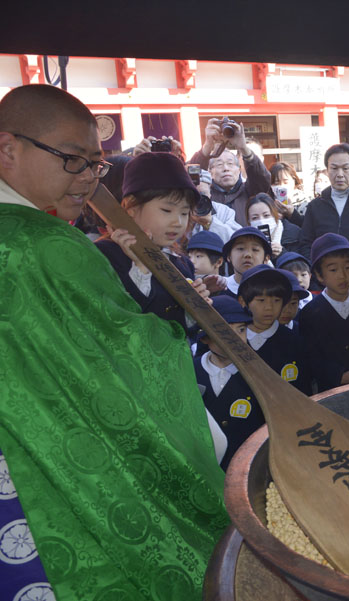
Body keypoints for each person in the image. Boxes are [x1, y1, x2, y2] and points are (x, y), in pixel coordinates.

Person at [0, 84, 228, 600]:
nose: (86, 178)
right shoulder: (43, 244)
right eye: (71, 160)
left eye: (95, 164)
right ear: (8, 149)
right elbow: (124, 350)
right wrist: (170, 331)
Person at [95, 151, 210, 332]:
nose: (178, 222)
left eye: (184, 212)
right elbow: (117, 319)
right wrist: (141, 267)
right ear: (131, 207)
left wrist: (195, 310)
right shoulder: (105, 254)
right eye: (166, 210)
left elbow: (181, 332)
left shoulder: (182, 263)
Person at [194, 296, 263, 470]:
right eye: (224, 332)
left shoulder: (261, 372)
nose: (236, 339)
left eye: (241, 330)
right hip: (203, 466)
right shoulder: (189, 370)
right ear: (205, 338)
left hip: (247, 467)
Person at [298, 233, 349, 391]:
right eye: (333, 269)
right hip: (332, 391)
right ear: (319, 276)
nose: (342, 275)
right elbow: (311, 356)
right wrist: (338, 375)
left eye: (348, 267)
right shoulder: (310, 313)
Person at [296, 143, 349, 257]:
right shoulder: (315, 206)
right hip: (324, 271)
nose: (340, 174)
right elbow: (306, 244)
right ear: (327, 169)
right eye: (334, 168)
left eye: (346, 168)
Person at [237, 264, 310, 393]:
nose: (269, 307)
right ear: (243, 301)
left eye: (276, 300)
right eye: (261, 300)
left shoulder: (295, 342)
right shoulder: (233, 339)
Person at [188, 117, 272, 226]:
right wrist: (207, 146)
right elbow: (191, 176)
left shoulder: (249, 191)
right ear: (210, 172)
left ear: (239, 169)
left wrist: (244, 148)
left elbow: (262, 180)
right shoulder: (205, 195)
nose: (226, 168)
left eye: (230, 163)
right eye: (219, 164)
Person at [246, 192, 302, 258]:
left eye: (266, 215)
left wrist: (282, 253)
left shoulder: (294, 233)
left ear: (276, 215)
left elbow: (300, 265)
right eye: (255, 218)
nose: (261, 221)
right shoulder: (245, 241)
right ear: (249, 221)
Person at [221, 226, 272, 297]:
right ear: (229, 256)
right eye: (240, 249)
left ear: (266, 258)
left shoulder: (274, 290)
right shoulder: (219, 288)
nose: (247, 255)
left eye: (255, 249)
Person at [270, 161, 311, 226]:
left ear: (294, 181)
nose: (281, 186)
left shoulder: (306, 203)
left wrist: (292, 214)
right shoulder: (268, 204)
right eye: (276, 183)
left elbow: (309, 228)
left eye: (286, 182)